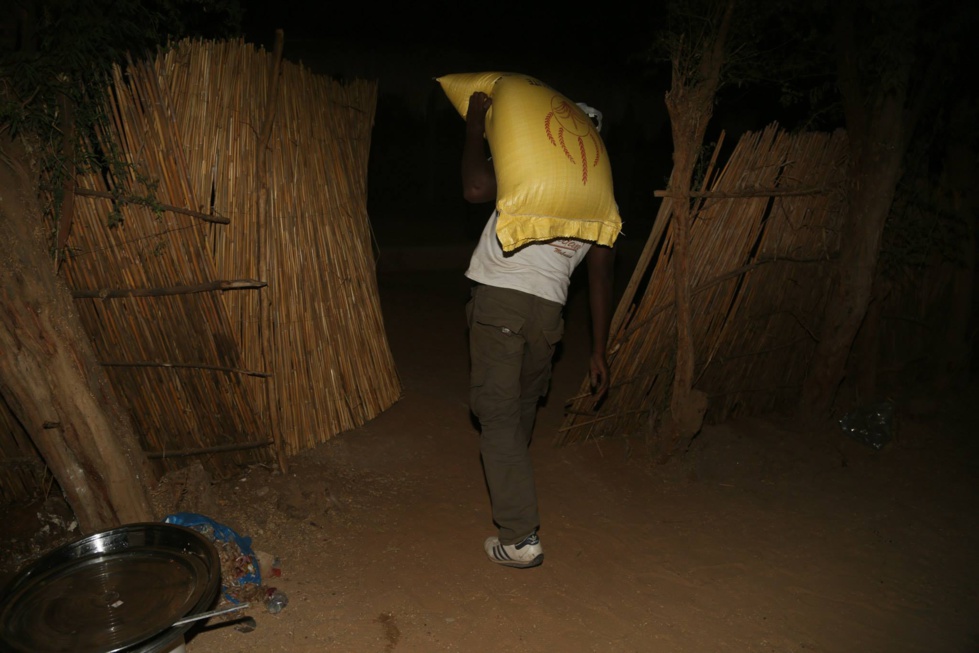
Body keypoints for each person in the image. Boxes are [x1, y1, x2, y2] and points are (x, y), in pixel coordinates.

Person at [461, 90, 615, 569]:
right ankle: (511, 483)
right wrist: (598, 350)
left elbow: (474, 188)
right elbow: (601, 280)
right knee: (522, 406)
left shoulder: (531, 170)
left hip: (502, 300)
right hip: (550, 313)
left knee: (499, 413)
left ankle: (520, 535)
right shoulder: (600, 199)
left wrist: (473, 129)